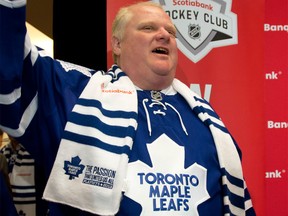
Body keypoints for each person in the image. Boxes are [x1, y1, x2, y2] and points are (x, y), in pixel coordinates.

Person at [0, 1, 256, 215]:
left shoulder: (207, 120)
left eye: (171, 32)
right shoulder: (76, 94)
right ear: (118, 44)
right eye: (148, 27)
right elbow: (14, 71)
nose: (165, 35)